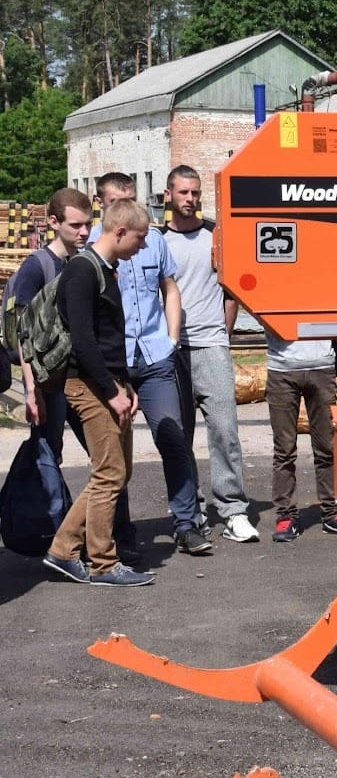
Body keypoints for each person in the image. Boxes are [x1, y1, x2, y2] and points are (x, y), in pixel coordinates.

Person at [93, 173, 211, 557]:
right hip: (116, 364)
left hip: (156, 356)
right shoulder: (93, 246)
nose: (128, 207)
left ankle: (186, 524)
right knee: (117, 452)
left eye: (132, 198)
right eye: (118, 201)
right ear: (101, 203)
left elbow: (169, 289)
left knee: (173, 439)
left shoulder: (153, 241)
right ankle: (122, 533)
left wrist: (172, 339)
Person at [42, 198, 154, 587]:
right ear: (120, 231)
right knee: (109, 473)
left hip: (108, 383)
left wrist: (127, 386)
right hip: (87, 384)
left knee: (116, 472)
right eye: (139, 237)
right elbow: (84, 341)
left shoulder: (105, 269)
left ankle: (63, 550)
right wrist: (111, 391)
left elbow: (108, 340)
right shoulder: (82, 270)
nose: (142, 245)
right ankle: (104, 564)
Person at [163, 165, 257, 543]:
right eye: (183, 192)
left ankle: (233, 510)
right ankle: (191, 511)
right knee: (179, 437)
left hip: (212, 345)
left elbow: (231, 291)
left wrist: (223, 334)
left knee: (225, 431)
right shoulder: (158, 242)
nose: (190, 199)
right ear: (168, 195)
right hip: (174, 351)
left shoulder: (216, 235)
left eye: (195, 192)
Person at [8, 189, 94, 537]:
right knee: (48, 457)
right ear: (54, 223)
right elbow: (22, 334)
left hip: (83, 378)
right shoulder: (36, 267)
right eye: (76, 225)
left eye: (88, 224)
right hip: (49, 384)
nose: (84, 232)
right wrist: (32, 390)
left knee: (107, 456)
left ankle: (108, 533)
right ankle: (56, 537)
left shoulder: (83, 263)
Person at [264, 332, 337, 542]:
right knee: (284, 450)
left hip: (322, 366)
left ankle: (333, 513)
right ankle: (286, 515)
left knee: (328, 446)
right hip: (282, 368)